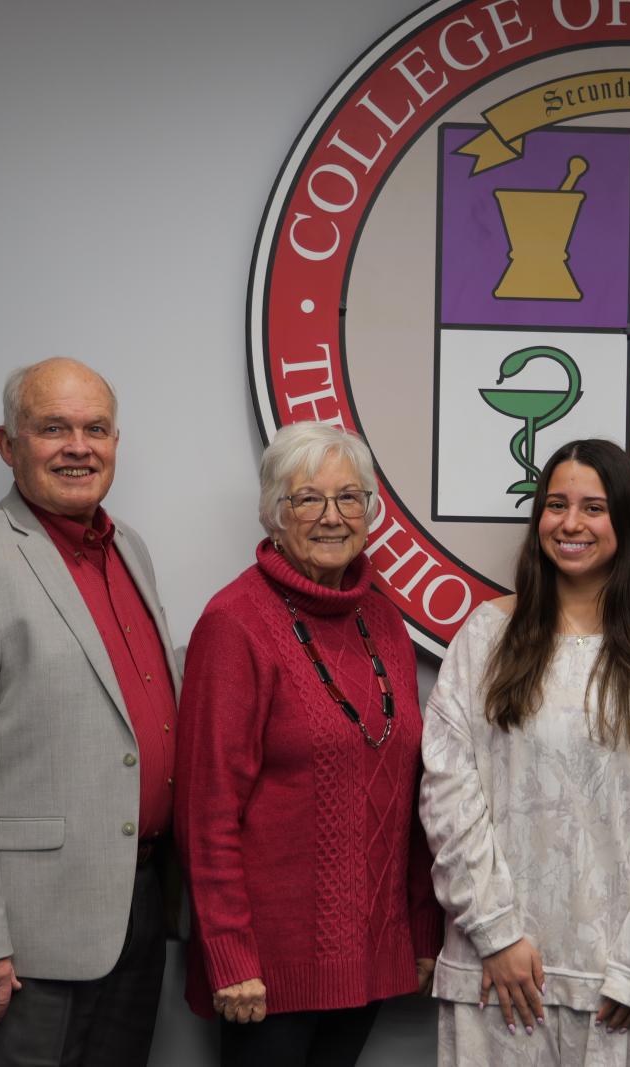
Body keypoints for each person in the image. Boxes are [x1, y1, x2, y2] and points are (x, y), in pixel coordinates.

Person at [0, 357, 180, 1066]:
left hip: (135, 916)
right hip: (20, 948)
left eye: (96, 428)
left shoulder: (131, 553)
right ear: (8, 444)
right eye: (53, 427)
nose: (78, 446)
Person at [419, 437, 630, 1066]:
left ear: (628, 522)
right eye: (556, 505)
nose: (571, 523)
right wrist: (497, 933)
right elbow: (448, 791)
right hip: (494, 974)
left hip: (618, 982)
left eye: (594, 507)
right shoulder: (487, 635)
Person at [173, 421, 443, 1067]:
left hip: (369, 956)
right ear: (273, 513)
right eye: (307, 499)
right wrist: (229, 956)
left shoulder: (381, 617)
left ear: (371, 511)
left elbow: (409, 790)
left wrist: (423, 927)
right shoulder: (234, 622)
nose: (332, 516)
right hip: (268, 971)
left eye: (349, 497)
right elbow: (206, 812)